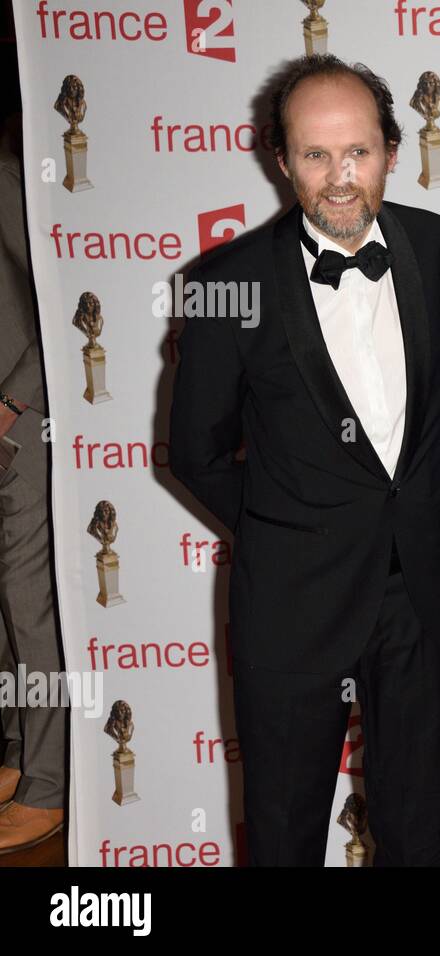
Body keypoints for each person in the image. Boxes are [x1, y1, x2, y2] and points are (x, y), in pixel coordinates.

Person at [169, 54, 440, 865]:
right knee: (285, 832)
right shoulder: (224, 286)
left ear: (392, 152)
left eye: (359, 153)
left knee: (416, 831)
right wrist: (286, 526)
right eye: (315, 154)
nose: (341, 178)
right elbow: (194, 453)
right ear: (281, 159)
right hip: (291, 605)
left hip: (420, 591)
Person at [0, 139, 66, 854]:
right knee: (3, 610)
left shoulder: (15, 183)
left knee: (28, 603)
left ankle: (48, 783)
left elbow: (60, 301)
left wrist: (13, 407)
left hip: (21, 427)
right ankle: (20, 753)